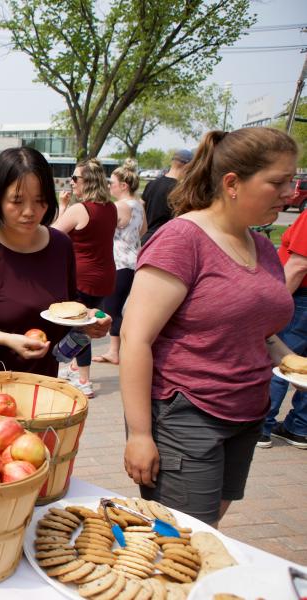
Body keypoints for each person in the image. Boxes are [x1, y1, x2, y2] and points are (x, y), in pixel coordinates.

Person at [120, 127, 297, 527]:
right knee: (182, 542)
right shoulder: (182, 239)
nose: (290, 193)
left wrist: (292, 361)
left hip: (248, 413)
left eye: (293, 180)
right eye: (278, 182)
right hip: (188, 416)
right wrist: (140, 435)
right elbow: (135, 338)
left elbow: (260, 329)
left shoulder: (263, 245)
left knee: (209, 531)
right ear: (232, 183)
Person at [0, 147, 110, 376]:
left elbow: (67, 302)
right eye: (17, 200)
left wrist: (88, 320)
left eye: (40, 200)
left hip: (45, 381)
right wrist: (7, 340)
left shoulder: (61, 246)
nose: (30, 212)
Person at [52, 157, 117, 397]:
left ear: (86, 181)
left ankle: (84, 379)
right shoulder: (110, 208)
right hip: (104, 276)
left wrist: (62, 206)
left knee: (82, 328)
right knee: (90, 325)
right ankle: (73, 368)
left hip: (83, 277)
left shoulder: (82, 209)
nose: (71, 182)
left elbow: (53, 234)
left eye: (75, 178)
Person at [260, 207, 307, 449]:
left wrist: (275, 306)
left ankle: (261, 426)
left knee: (283, 362)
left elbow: (299, 265)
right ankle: (299, 427)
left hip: (301, 300)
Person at [94, 159, 146, 366]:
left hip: (119, 262)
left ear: (123, 186)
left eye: (112, 183)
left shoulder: (119, 206)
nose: (109, 186)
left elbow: (102, 231)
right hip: (135, 260)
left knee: (112, 309)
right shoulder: (140, 205)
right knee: (125, 308)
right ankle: (119, 349)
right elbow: (143, 231)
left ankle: (114, 351)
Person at [140, 149, 192, 244]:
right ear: (187, 166)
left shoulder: (151, 184)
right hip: (165, 242)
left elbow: (141, 208)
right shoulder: (181, 190)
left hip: (146, 240)